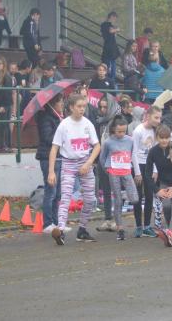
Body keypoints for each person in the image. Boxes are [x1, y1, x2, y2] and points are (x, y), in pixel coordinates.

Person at [48, 93, 101, 245]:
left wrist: (89, 163)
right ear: (71, 107)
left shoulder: (88, 124)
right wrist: (51, 172)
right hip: (68, 164)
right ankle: (61, 230)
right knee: (65, 197)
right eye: (79, 106)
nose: (82, 109)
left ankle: (82, 230)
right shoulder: (64, 125)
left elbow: (97, 146)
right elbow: (54, 149)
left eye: (84, 106)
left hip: (85, 162)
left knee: (90, 200)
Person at [146, 124, 172, 247]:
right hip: (164, 182)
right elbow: (147, 174)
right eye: (161, 138)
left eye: (166, 138)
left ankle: (170, 233)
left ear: (170, 137)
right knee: (166, 206)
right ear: (157, 138)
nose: (164, 140)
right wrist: (156, 190)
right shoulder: (153, 152)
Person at [98, 116, 140, 241]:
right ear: (113, 130)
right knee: (117, 201)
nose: (121, 134)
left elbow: (133, 155)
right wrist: (108, 168)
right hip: (114, 172)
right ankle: (120, 228)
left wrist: (136, 172)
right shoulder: (108, 142)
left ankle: (124, 194)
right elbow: (102, 157)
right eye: (119, 132)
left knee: (135, 198)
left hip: (126, 171)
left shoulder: (130, 141)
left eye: (124, 131)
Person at [35, 94, 64, 233]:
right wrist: (61, 130)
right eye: (60, 102)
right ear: (53, 104)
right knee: (50, 191)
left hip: (59, 157)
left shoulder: (58, 118)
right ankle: (47, 223)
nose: (62, 104)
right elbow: (48, 138)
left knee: (58, 193)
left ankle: (56, 222)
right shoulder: (45, 118)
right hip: (47, 158)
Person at [131, 106, 161, 238]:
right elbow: (134, 152)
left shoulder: (156, 131)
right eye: (156, 117)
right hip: (139, 165)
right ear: (148, 116)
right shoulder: (138, 131)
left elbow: (156, 152)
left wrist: (155, 170)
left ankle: (147, 226)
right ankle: (138, 226)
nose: (158, 120)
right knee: (137, 197)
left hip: (149, 165)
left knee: (149, 196)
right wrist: (137, 172)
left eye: (160, 117)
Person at [0, 56, 15, 152]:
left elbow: (7, 92)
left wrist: (3, 106)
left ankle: (5, 145)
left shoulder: (7, 77)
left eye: (0, 63)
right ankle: (0, 145)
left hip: (5, 104)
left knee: (4, 124)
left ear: (4, 65)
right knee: (0, 124)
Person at [100, 11, 120, 89]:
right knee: (110, 70)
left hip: (111, 51)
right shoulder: (105, 25)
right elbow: (111, 31)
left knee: (113, 71)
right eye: (114, 18)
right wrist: (117, 29)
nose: (115, 20)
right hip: (109, 51)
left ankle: (112, 85)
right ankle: (110, 86)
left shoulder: (109, 25)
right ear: (111, 16)